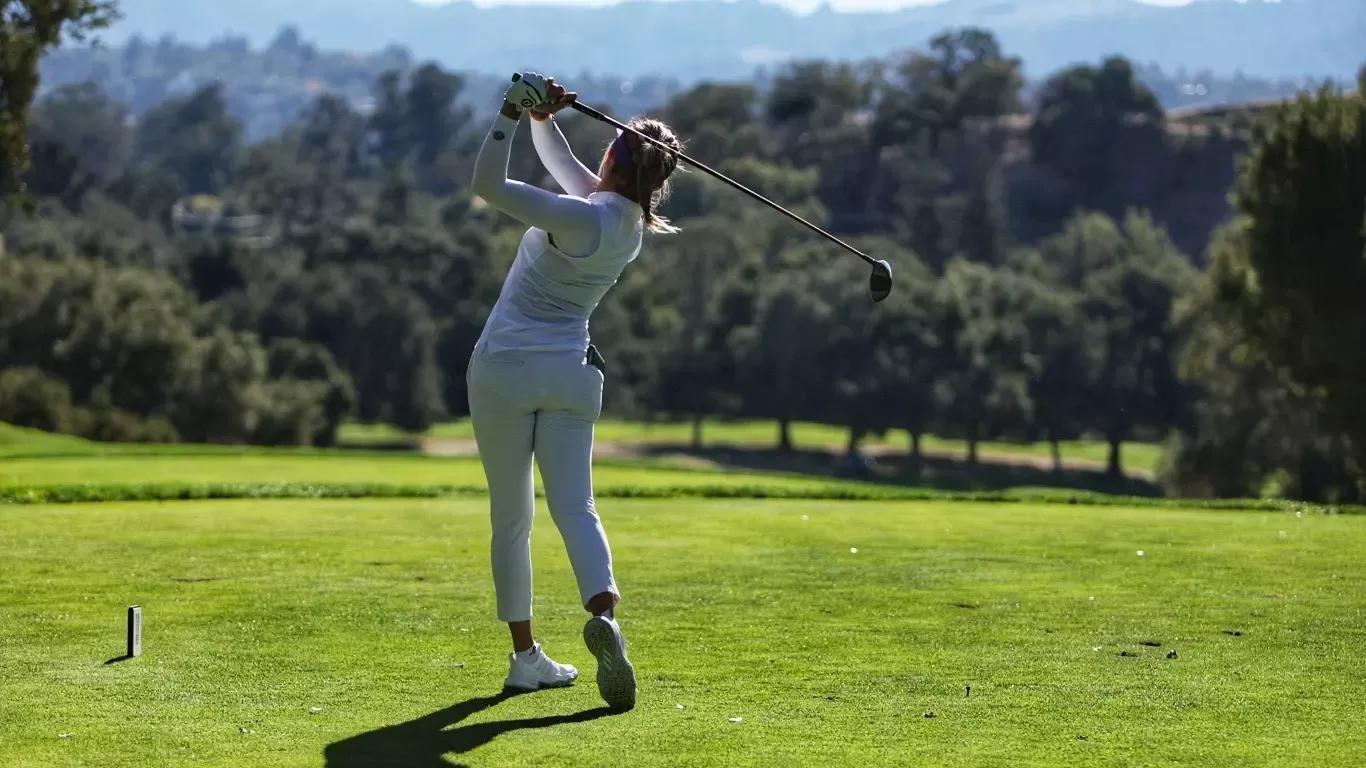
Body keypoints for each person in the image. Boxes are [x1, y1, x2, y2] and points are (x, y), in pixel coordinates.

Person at [466, 73, 682, 710]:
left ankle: (525, 658)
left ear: (614, 155)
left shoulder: (577, 214)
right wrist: (543, 119)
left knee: (513, 517)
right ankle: (606, 619)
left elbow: (485, 187)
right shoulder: (625, 226)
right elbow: (569, 170)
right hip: (570, 374)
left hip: (503, 370)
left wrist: (509, 112)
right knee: (577, 508)